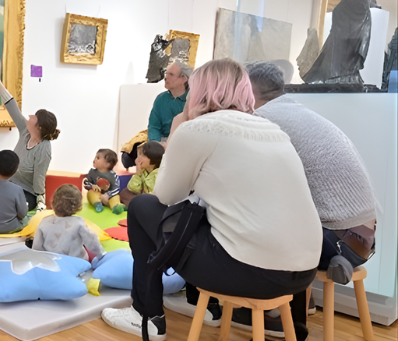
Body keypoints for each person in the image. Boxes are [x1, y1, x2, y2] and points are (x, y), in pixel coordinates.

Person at [101, 59, 322, 341]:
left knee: (143, 206)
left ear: (198, 91)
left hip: (248, 272)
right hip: (303, 275)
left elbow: (166, 196)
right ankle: (202, 307)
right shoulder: (272, 129)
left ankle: (146, 314)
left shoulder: (199, 129)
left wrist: (180, 124)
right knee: (206, 212)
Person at [246, 61, 378, 340]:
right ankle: (300, 299)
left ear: (247, 91)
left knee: (250, 224)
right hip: (365, 238)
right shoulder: (296, 110)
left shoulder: (262, 119)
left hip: (338, 240)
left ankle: (278, 316)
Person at [0, 60, 60, 212]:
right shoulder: (25, 131)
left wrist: (41, 200)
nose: (29, 116)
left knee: (11, 207)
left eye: (34, 117)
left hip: (26, 191)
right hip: (8, 183)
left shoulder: (44, 149)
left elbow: (39, 177)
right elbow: (11, 105)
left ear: (39, 127)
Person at [32, 184, 105, 261]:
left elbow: (37, 247)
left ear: (52, 203)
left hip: (52, 262)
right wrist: (101, 255)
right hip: (75, 263)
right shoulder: (78, 223)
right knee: (91, 255)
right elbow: (92, 242)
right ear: (78, 206)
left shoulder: (44, 222)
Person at [0, 150, 30, 234]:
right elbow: (22, 214)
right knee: (29, 218)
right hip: (9, 227)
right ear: (16, 170)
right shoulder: (17, 189)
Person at [84, 149, 123, 214]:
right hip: (97, 195)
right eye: (95, 157)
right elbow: (86, 183)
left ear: (107, 164)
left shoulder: (113, 175)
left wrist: (107, 195)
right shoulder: (92, 172)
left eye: (98, 158)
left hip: (109, 197)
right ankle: (97, 204)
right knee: (90, 193)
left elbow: (116, 188)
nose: (95, 159)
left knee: (116, 196)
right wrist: (92, 186)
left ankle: (116, 207)